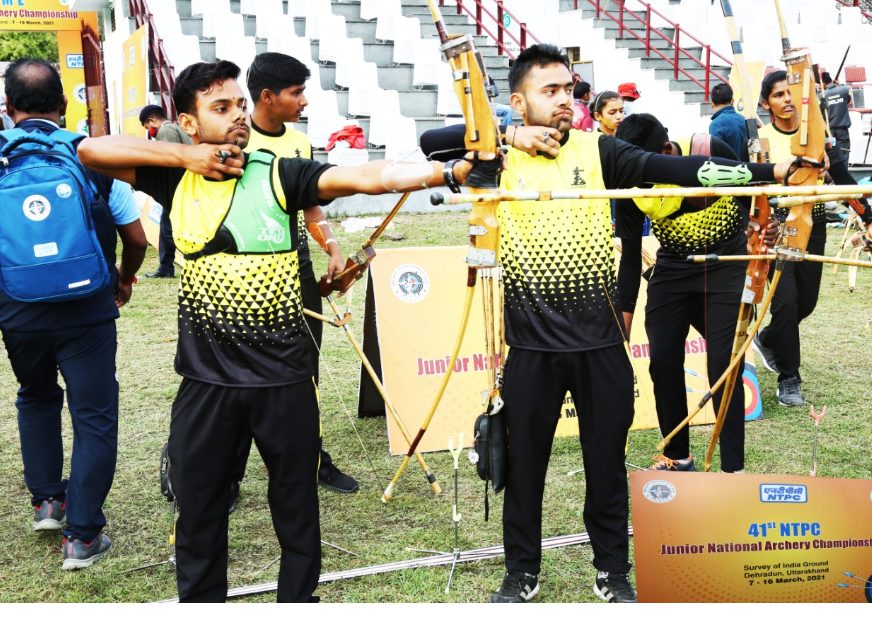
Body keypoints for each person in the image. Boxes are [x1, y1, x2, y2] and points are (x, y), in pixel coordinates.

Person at [78, 59, 481, 602]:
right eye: (221, 108)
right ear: (190, 123)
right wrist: (186, 156)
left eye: (240, 104)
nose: (238, 116)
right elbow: (91, 151)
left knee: (296, 511)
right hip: (207, 386)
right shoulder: (175, 176)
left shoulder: (278, 170)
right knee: (199, 514)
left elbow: (364, 177)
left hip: (283, 382)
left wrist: (448, 173)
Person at [420, 44, 803, 604]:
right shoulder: (492, 157)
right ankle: (521, 572)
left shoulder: (597, 149)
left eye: (568, 89)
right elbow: (429, 145)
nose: (563, 101)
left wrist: (771, 170)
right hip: (530, 348)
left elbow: (674, 168)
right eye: (548, 92)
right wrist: (505, 136)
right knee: (525, 471)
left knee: (606, 466)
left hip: (600, 345)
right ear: (518, 99)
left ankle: (613, 572)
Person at [1, 59, 147, 570]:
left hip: (18, 312)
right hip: (88, 308)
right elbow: (136, 238)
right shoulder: (92, 155)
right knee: (94, 418)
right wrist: (124, 279)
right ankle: (83, 537)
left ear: (7, 107)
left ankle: (47, 502)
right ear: (64, 106)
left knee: (35, 397)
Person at [228, 51, 358, 504]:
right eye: (296, 92)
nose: (304, 100)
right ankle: (228, 472)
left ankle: (312, 457)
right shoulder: (237, 143)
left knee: (305, 366)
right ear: (267, 96)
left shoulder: (300, 143)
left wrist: (333, 247)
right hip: (245, 272)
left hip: (296, 266)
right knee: (240, 372)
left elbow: (310, 204)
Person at [615, 113, 747, 474]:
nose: (643, 182)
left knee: (723, 366)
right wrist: (619, 325)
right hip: (673, 268)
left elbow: (752, 197)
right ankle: (678, 458)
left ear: (667, 151)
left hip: (726, 267)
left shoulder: (708, 149)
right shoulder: (627, 181)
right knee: (663, 361)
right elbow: (629, 257)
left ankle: (733, 469)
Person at [752, 71, 868, 406]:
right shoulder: (762, 139)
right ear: (766, 103)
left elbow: (844, 179)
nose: (786, 100)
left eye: (791, 94)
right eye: (778, 95)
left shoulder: (816, 136)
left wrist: (868, 216)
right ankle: (790, 378)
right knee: (785, 303)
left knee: (806, 303)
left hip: (813, 226)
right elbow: (751, 186)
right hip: (778, 229)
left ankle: (771, 337)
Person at [139, 104, 191, 279]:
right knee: (169, 225)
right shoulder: (175, 127)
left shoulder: (165, 131)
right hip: (184, 185)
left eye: (148, 127)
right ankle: (167, 266)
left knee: (168, 227)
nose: (150, 131)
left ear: (152, 120)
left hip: (177, 187)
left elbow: (170, 162)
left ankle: (167, 267)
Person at [708, 82, 749, 160]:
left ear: (712, 104)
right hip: (748, 169)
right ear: (732, 101)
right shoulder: (744, 120)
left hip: (728, 170)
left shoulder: (715, 124)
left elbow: (716, 156)